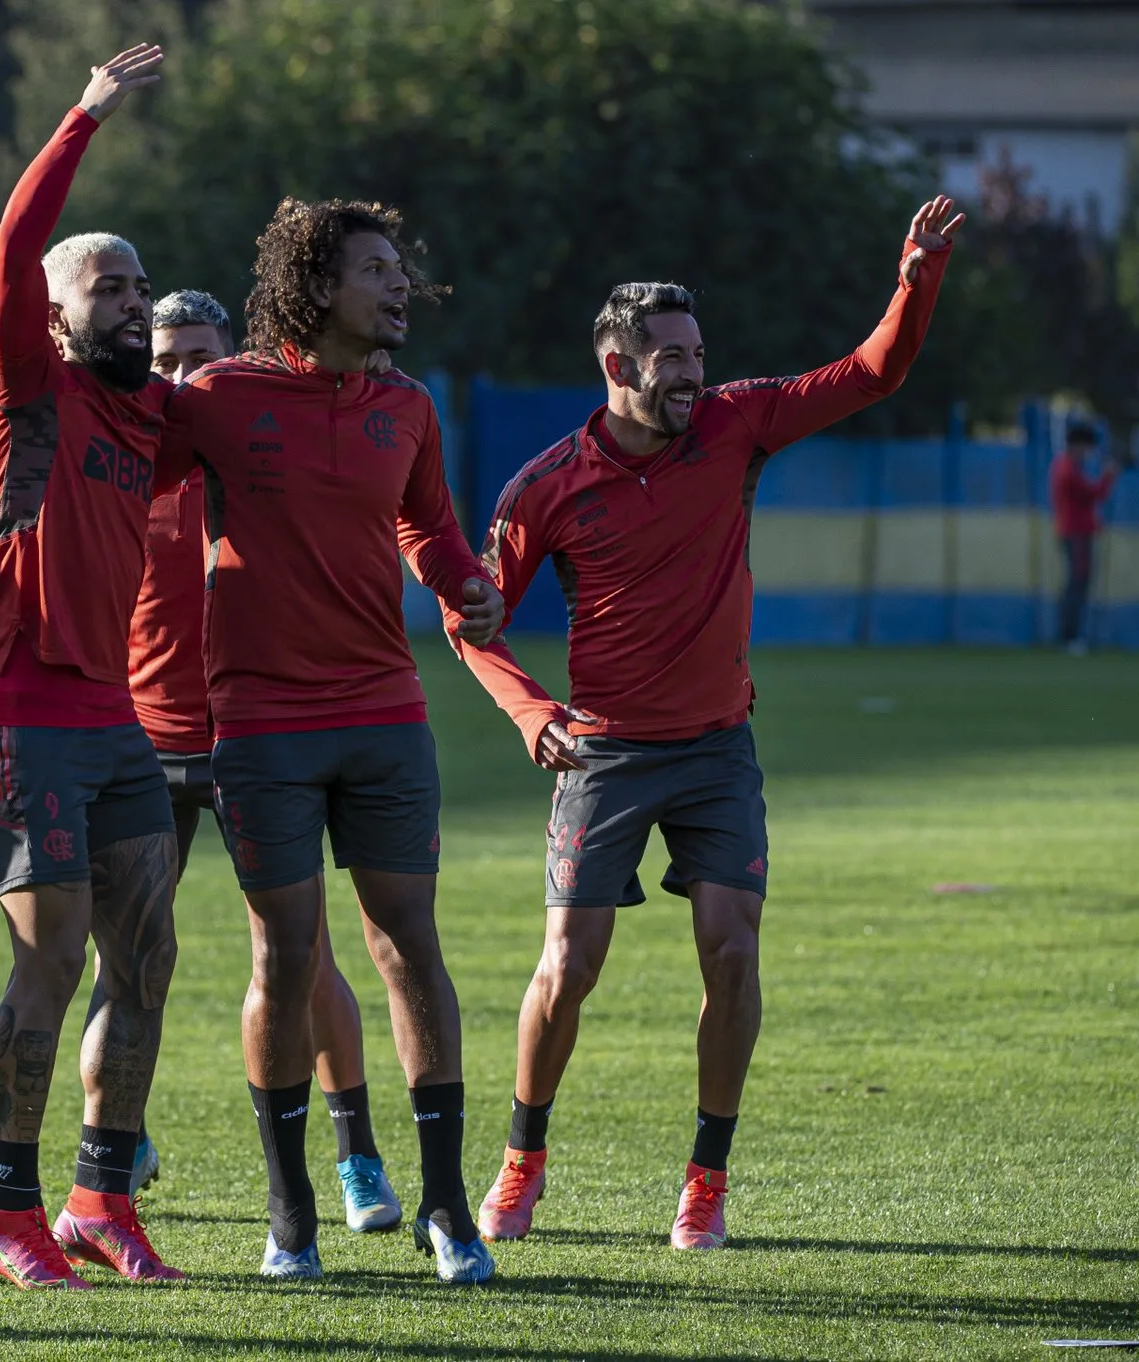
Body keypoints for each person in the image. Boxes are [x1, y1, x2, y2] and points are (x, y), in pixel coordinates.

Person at [461, 196, 964, 1252]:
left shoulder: (737, 422)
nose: (693, 373)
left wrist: (911, 282)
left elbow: (870, 373)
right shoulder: (543, 486)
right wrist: (526, 710)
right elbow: (470, 623)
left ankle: (703, 1181)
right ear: (615, 364)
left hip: (714, 749)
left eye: (697, 353)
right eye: (670, 359)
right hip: (600, 753)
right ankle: (520, 1161)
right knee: (567, 966)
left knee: (730, 954)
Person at [153, 198, 509, 1284]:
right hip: (259, 726)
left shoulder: (406, 406)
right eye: (373, 271)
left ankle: (445, 1209)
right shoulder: (216, 397)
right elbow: (118, 473)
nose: (397, 288)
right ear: (313, 286)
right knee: (284, 953)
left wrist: (463, 581)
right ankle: (291, 1212)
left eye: (398, 271)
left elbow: (428, 525)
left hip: (386, 716)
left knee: (411, 948)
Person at [0, 46, 186, 1290]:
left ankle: (102, 1196)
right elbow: (10, 246)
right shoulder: (23, 391)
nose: (131, 304)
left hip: (114, 719)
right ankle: (7, 1213)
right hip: (20, 712)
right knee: (45, 960)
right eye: (107, 287)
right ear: (53, 314)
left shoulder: (151, 414)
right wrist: (83, 118)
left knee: (144, 957)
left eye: (138, 287)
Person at [126, 288, 403, 1234]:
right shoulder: (134, 462)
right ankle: (117, 1140)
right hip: (148, 738)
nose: (181, 377)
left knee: (298, 956)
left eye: (198, 357)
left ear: (233, 361)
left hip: (262, 729)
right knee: (124, 960)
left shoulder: (257, 449)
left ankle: (356, 1154)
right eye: (164, 359)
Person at [1050, 421, 1126, 654]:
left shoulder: (1064, 466)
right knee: (1077, 583)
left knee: (1077, 583)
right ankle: (1070, 636)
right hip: (1077, 533)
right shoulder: (1067, 469)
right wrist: (1108, 477)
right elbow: (1094, 494)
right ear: (1078, 445)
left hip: (1075, 532)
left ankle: (1070, 635)